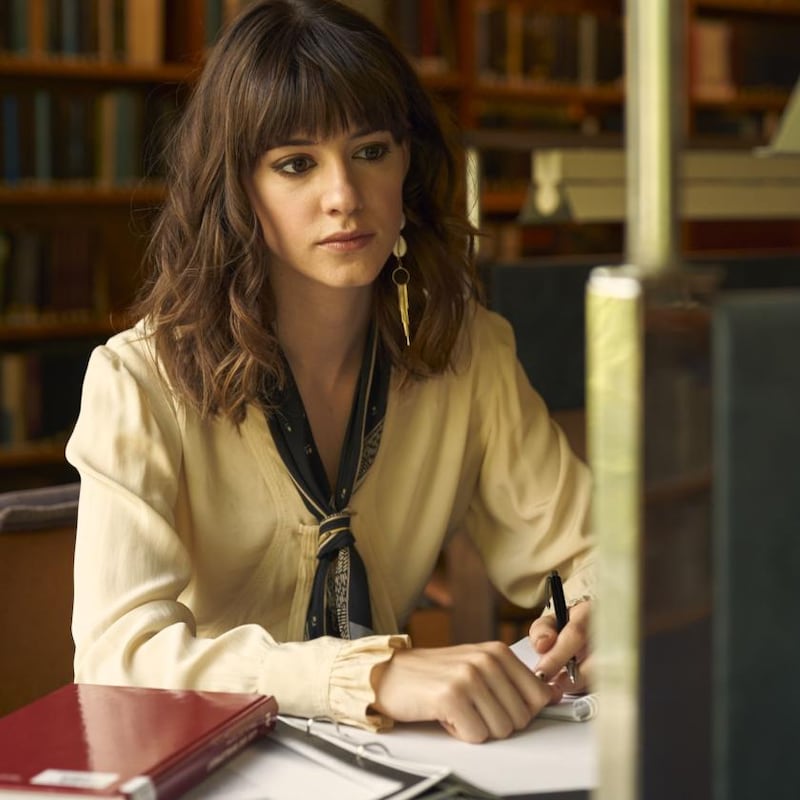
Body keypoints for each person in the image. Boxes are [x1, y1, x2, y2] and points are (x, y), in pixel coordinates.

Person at [66, 0, 594, 744]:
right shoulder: (138, 381)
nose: (344, 195)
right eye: (296, 163)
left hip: (398, 764)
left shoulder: (465, 352)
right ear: (239, 189)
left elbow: (586, 549)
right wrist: (367, 675)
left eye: (371, 150)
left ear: (407, 164)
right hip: (209, 763)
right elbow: (117, 658)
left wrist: (600, 609)